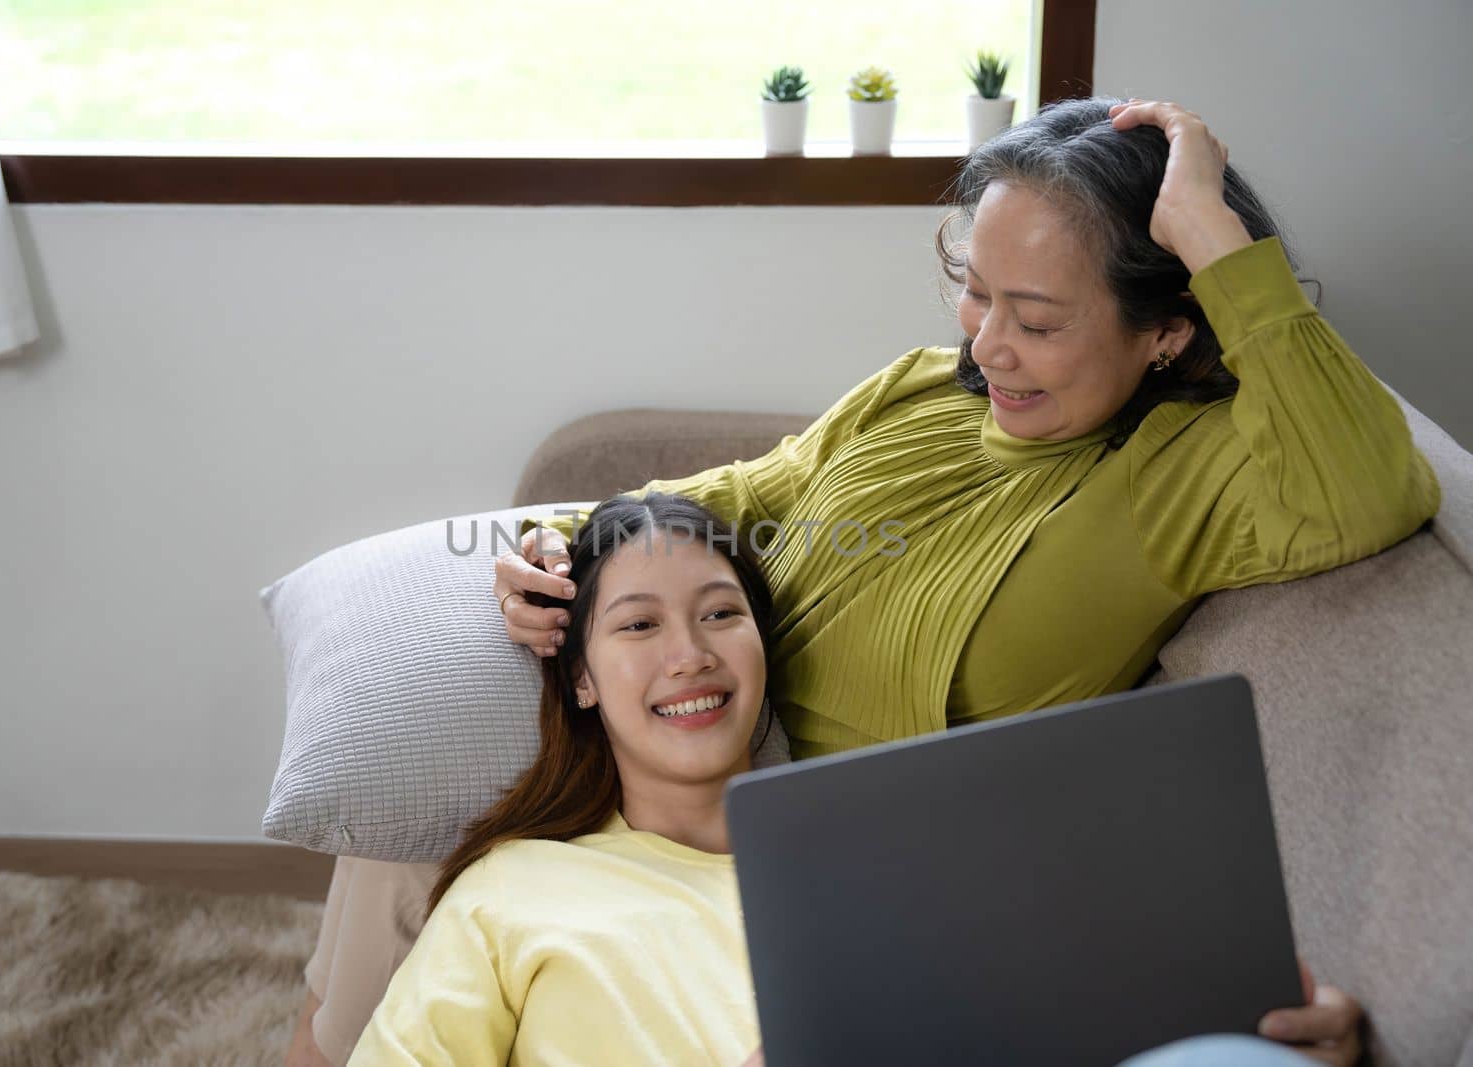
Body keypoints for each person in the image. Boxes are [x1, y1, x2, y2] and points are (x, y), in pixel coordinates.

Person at [289, 95, 1423, 1065]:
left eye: (1035, 320)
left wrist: (1213, 238)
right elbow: (746, 492)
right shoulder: (920, 393)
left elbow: (1371, 486)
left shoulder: (1186, 475)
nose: (985, 346)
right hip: (701, 732)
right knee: (403, 840)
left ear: (1168, 331)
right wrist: (567, 551)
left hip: (860, 858)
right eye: (972, 291)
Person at [349, 493, 1356, 1067]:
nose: (690, 654)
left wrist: (1274, 1031)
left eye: (719, 613)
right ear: (578, 675)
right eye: (638, 625)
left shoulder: (911, 860)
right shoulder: (515, 889)